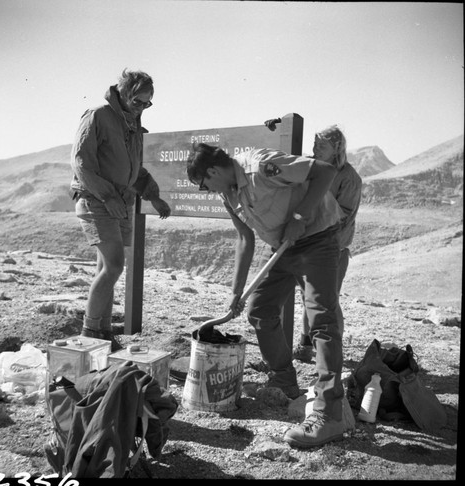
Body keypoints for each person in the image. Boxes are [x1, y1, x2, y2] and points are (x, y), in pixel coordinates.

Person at [186, 142, 346, 448]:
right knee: (259, 308)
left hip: (317, 240)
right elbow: (245, 239)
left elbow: (324, 171)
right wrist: (236, 292)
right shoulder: (228, 193)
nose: (204, 190)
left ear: (213, 170)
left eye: (203, 183)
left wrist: (299, 217)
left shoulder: (260, 166)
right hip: (283, 249)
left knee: (321, 320)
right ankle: (284, 381)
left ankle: (329, 415)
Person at [70, 69, 171, 351]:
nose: (141, 107)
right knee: (114, 265)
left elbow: (134, 170)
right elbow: (81, 162)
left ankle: (102, 333)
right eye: (137, 101)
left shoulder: (133, 123)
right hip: (96, 199)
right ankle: (90, 332)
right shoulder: (98, 115)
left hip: (121, 202)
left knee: (107, 267)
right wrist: (106, 197)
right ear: (124, 94)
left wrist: (154, 196)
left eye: (147, 103)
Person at [265, 118, 362, 362]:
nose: (316, 147)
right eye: (315, 143)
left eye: (322, 145)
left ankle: (330, 353)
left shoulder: (349, 177)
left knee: (327, 302)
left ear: (337, 148)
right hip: (305, 242)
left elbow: (343, 215)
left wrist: (313, 204)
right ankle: (304, 345)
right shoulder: (308, 165)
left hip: (332, 247)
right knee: (309, 297)